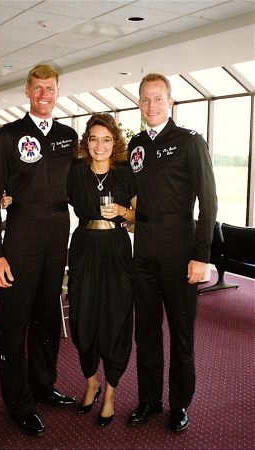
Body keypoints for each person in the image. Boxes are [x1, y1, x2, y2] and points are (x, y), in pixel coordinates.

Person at [0, 64, 78, 437]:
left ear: (57, 92)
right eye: (37, 88)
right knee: (14, 323)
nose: (44, 94)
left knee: (47, 319)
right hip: (19, 239)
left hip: (57, 237)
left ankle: (43, 386)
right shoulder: (7, 136)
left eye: (50, 89)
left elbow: (84, 182)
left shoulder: (69, 136)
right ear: (27, 91)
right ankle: (18, 402)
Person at [127, 73, 217, 432]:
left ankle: (179, 405)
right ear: (139, 104)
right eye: (145, 100)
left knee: (181, 333)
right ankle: (149, 400)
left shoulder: (189, 141)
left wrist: (202, 256)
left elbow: (208, 202)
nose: (151, 106)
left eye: (158, 99)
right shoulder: (135, 145)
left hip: (181, 252)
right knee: (146, 332)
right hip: (144, 251)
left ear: (170, 102)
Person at [67, 113, 136, 426]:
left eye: (106, 139)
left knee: (116, 317)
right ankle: (91, 382)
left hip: (117, 249)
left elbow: (135, 217)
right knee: (83, 316)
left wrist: (121, 212)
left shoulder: (124, 173)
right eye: (94, 138)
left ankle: (110, 391)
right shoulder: (75, 172)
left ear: (115, 142)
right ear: (86, 141)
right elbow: (48, 197)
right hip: (84, 246)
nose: (100, 145)